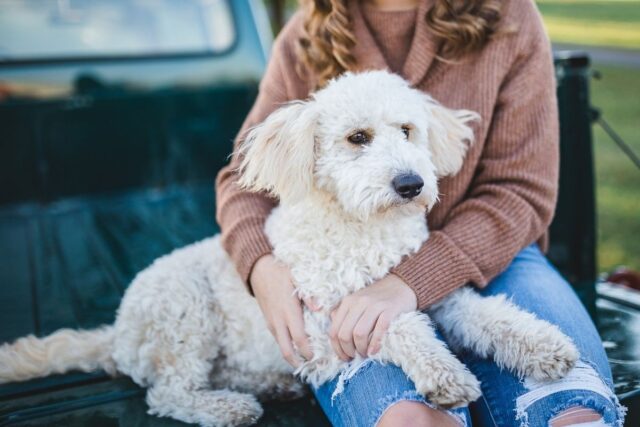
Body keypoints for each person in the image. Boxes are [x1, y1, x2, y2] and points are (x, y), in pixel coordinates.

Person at [215, 0, 626, 425]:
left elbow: (521, 190)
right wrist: (261, 268)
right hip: (348, 269)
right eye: (358, 137)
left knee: (572, 410)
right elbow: (242, 181)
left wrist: (411, 281)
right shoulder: (309, 31)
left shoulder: (510, 16)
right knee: (414, 420)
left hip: (497, 252)